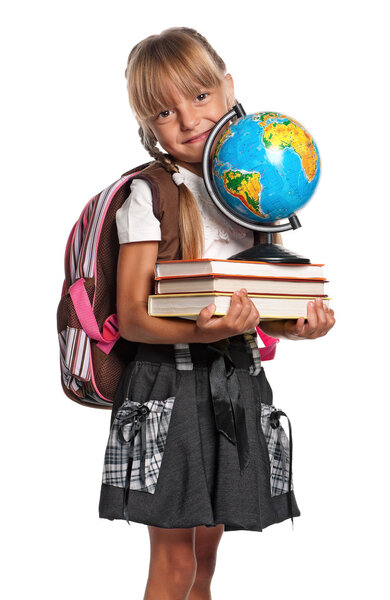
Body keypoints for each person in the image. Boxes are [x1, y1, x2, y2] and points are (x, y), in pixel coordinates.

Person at [98, 27, 336, 600]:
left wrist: (299, 325)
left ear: (228, 89)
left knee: (206, 559)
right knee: (175, 563)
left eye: (200, 96)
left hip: (233, 382)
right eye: (164, 111)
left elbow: (256, 309)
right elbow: (131, 316)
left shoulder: (246, 191)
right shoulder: (149, 194)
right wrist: (204, 335)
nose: (188, 119)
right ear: (147, 127)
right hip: (166, 386)